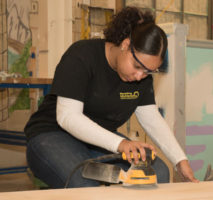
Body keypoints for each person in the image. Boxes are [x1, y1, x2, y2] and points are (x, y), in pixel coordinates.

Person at [24, 6, 199, 188]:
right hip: (52, 135)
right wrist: (120, 143)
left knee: (159, 173)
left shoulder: (141, 77)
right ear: (125, 44)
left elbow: (151, 118)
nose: (140, 76)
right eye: (137, 66)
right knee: (83, 181)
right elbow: (68, 117)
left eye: (149, 71)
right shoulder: (82, 56)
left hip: (98, 141)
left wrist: (180, 160)